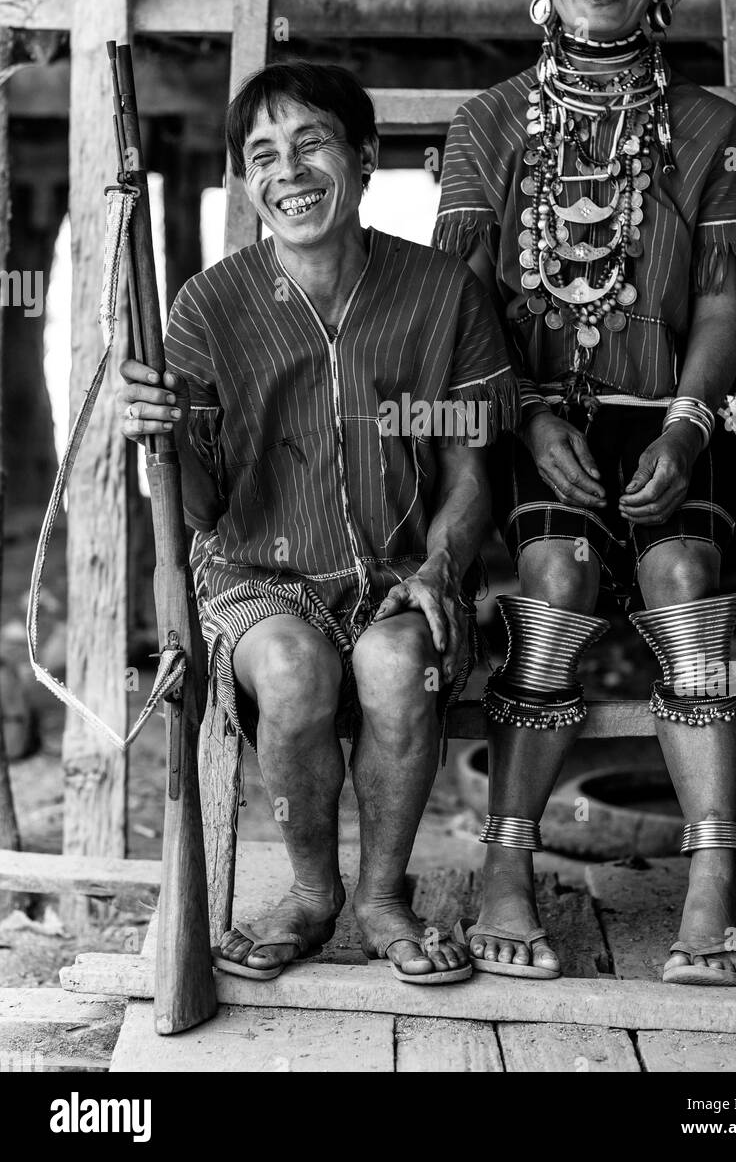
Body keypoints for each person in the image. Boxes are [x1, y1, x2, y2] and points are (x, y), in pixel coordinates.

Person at [436, 0, 736, 985]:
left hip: (670, 413)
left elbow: (723, 299)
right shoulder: (486, 123)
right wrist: (529, 416)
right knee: (555, 583)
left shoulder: (712, 128)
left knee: (685, 581)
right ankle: (504, 865)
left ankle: (710, 878)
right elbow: (464, 304)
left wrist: (685, 433)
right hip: (537, 419)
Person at [117, 61, 518, 984]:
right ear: (246, 183)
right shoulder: (207, 307)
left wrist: (441, 567)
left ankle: (382, 896)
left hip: (399, 570)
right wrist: (161, 446)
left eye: (312, 143)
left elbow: (472, 471)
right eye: (262, 156)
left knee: (397, 664)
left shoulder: (442, 292)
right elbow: (202, 512)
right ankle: (310, 892)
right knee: (295, 671)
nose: (288, 171)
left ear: (366, 156)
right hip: (257, 576)